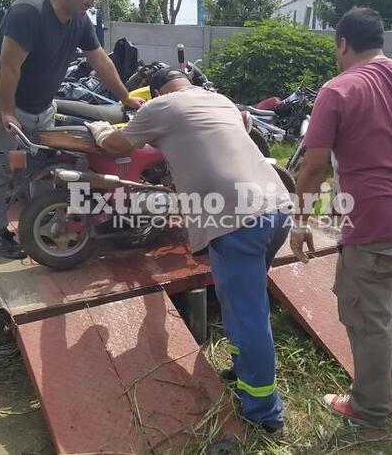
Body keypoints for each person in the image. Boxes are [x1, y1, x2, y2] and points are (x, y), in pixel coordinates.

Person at [87, 68, 293, 433]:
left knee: (248, 312)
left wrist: (100, 129)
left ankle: (264, 413)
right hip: (276, 206)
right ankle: (245, 371)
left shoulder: (159, 106)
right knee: (240, 300)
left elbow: (118, 146)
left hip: (237, 220)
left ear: (155, 91)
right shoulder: (221, 100)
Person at [290, 7, 392, 427]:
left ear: (343, 43)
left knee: (369, 318)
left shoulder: (338, 90)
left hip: (374, 229)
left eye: (336, 47)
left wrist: (300, 222)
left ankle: (369, 408)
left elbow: (312, 168)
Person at [0, 0, 144, 259]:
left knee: (47, 160)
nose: (91, 1)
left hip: (41, 102)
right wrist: (7, 112)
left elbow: (100, 60)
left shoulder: (79, 20)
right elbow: (8, 66)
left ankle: (41, 215)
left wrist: (125, 97)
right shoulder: (29, 12)